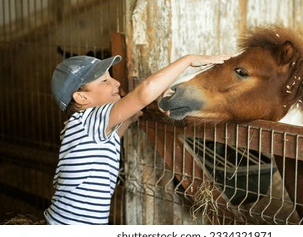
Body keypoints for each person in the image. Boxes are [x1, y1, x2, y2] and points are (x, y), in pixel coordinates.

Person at [44, 53, 230, 225]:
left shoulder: (82, 127)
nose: (115, 82)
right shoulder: (90, 119)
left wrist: (160, 99)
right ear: (82, 97)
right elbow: (144, 93)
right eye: (104, 80)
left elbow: (132, 115)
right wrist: (188, 60)